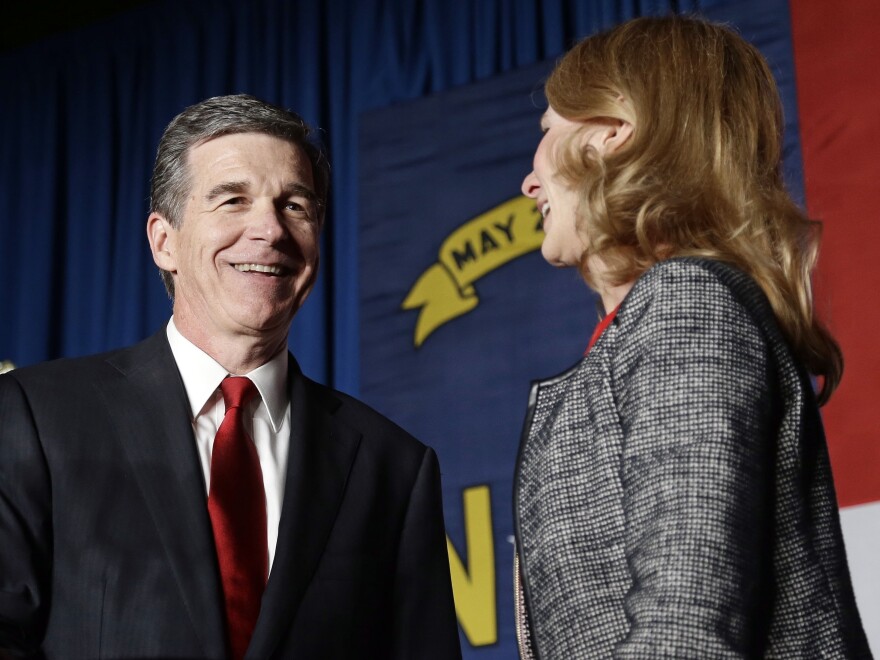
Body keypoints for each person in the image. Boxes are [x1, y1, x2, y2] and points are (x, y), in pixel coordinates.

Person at [0, 94, 461, 659]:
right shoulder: (34, 417)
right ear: (163, 242)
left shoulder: (394, 468)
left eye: (295, 206)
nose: (269, 230)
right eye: (232, 201)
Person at [513, 16, 871, 659]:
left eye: (546, 135)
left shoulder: (686, 305)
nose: (529, 182)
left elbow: (686, 624)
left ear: (609, 136)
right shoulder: (654, 320)